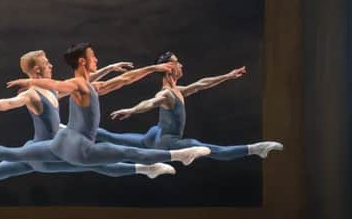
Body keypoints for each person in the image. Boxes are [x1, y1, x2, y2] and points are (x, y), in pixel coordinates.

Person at [0, 50, 174, 201]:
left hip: (52, 151)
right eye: (46, 64)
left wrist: (109, 68)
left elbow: (83, 85)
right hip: (43, 152)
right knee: (97, 162)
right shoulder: (34, 93)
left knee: (98, 163)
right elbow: (10, 102)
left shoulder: (52, 92)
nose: (50, 66)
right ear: (37, 72)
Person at [0, 43, 210, 171]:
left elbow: (123, 80)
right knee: (125, 152)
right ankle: (180, 154)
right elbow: (57, 87)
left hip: (61, 142)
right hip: (78, 147)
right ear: (84, 62)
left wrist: (151, 68)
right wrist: (23, 86)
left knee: (11, 154)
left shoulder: (88, 86)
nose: (97, 59)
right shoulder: (73, 84)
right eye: (95, 57)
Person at [98, 51, 283, 160]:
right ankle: (256, 149)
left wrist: (227, 76)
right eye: (177, 63)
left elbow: (202, 84)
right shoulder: (167, 93)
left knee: (112, 136)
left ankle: (70, 130)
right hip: (167, 142)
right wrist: (131, 110)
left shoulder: (178, 90)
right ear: (168, 68)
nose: (182, 65)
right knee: (208, 149)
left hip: (153, 136)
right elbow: (151, 102)